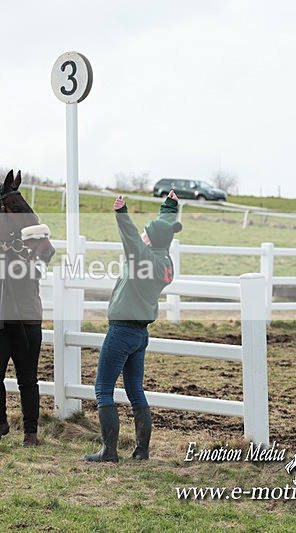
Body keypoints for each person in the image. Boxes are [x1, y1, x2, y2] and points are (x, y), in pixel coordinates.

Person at [84, 190, 182, 462]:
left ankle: (109, 451)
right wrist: (170, 206)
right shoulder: (164, 261)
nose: (142, 233)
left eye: (145, 232)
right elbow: (163, 230)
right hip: (140, 334)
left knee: (103, 388)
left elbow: (130, 237)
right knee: (135, 390)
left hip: (121, 332)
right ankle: (142, 450)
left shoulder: (142, 258)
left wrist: (122, 213)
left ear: (148, 239)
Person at [0, 223, 52, 446]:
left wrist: (10, 253)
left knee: (28, 379)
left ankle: (30, 432)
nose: (32, 245)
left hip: (26, 323)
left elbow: (31, 272)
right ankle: (0, 422)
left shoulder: (42, 254)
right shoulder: (0, 248)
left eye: (34, 242)